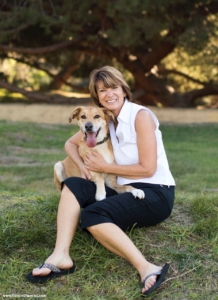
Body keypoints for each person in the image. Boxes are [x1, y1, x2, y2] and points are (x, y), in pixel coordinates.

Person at [27, 66, 175, 296]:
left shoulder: (140, 116)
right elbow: (70, 144)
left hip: (155, 192)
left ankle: (147, 268)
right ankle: (60, 255)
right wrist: (84, 167)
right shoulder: (104, 119)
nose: (109, 94)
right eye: (102, 90)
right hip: (122, 188)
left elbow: (148, 168)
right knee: (73, 184)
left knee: (92, 214)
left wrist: (104, 167)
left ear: (124, 90)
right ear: (97, 96)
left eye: (114, 87)